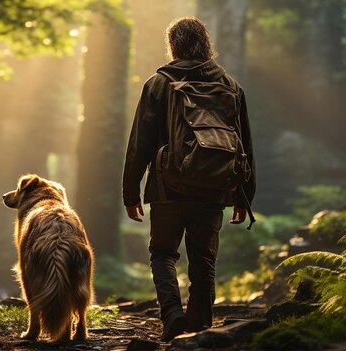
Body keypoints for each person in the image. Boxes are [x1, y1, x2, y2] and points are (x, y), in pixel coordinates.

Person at [122, 17, 256, 342]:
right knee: (204, 260)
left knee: (163, 254)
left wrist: (131, 192)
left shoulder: (158, 83)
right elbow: (244, 146)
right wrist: (243, 196)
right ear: (205, 43)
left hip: (168, 187)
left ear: (173, 46)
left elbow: (140, 142)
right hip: (215, 189)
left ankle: (171, 316)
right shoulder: (230, 85)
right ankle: (200, 330)